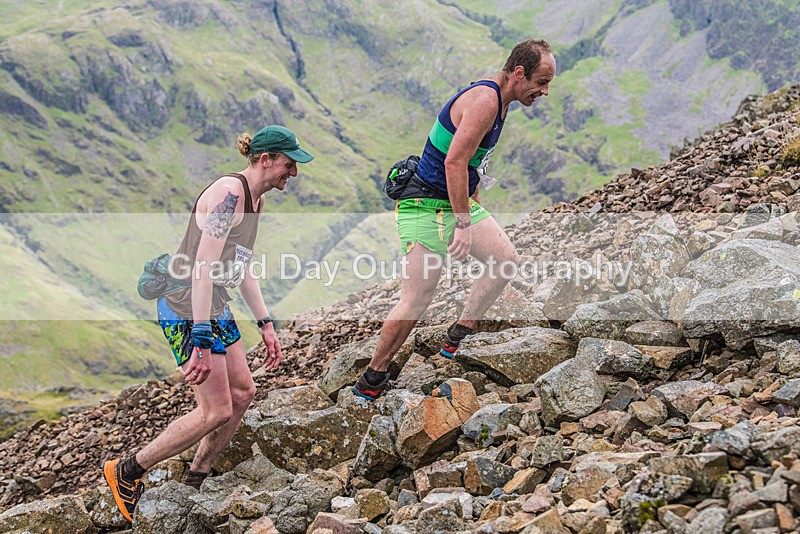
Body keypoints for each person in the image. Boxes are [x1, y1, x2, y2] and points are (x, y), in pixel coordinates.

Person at [103, 125, 314, 522]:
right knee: (215, 410)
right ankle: (127, 470)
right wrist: (200, 334)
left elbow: (240, 267)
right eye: (289, 164)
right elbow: (202, 266)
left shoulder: (256, 202)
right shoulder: (228, 196)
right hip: (186, 304)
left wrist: (266, 323)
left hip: (213, 302)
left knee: (244, 391)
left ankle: (197, 477)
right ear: (265, 159)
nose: (294, 174)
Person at [353, 39, 556, 400]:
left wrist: (473, 206)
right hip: (424, 204)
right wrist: (463, 224)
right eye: (541, 82)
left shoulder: (502, 102)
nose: (544, 92)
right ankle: (373, 378)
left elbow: (473, 162)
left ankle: (460, 334)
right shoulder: (485, 101)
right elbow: (454, 162)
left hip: (454, 200)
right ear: (519, 73)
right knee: (417, 298)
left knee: (505, 260)